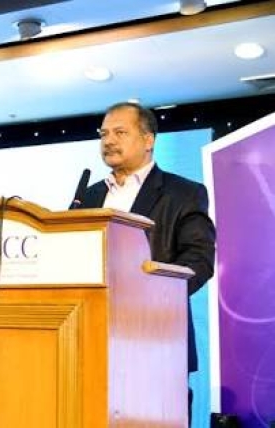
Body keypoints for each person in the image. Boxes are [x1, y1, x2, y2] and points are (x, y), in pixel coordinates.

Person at [79, 101, 216, 420]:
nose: (108, 141)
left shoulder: (184, 192)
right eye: (103, 134)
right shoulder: (88, 196)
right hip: (91, 339)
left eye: (120, 132)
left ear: (148, 139)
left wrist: (152, 295)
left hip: (157, 338)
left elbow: (199, 259)